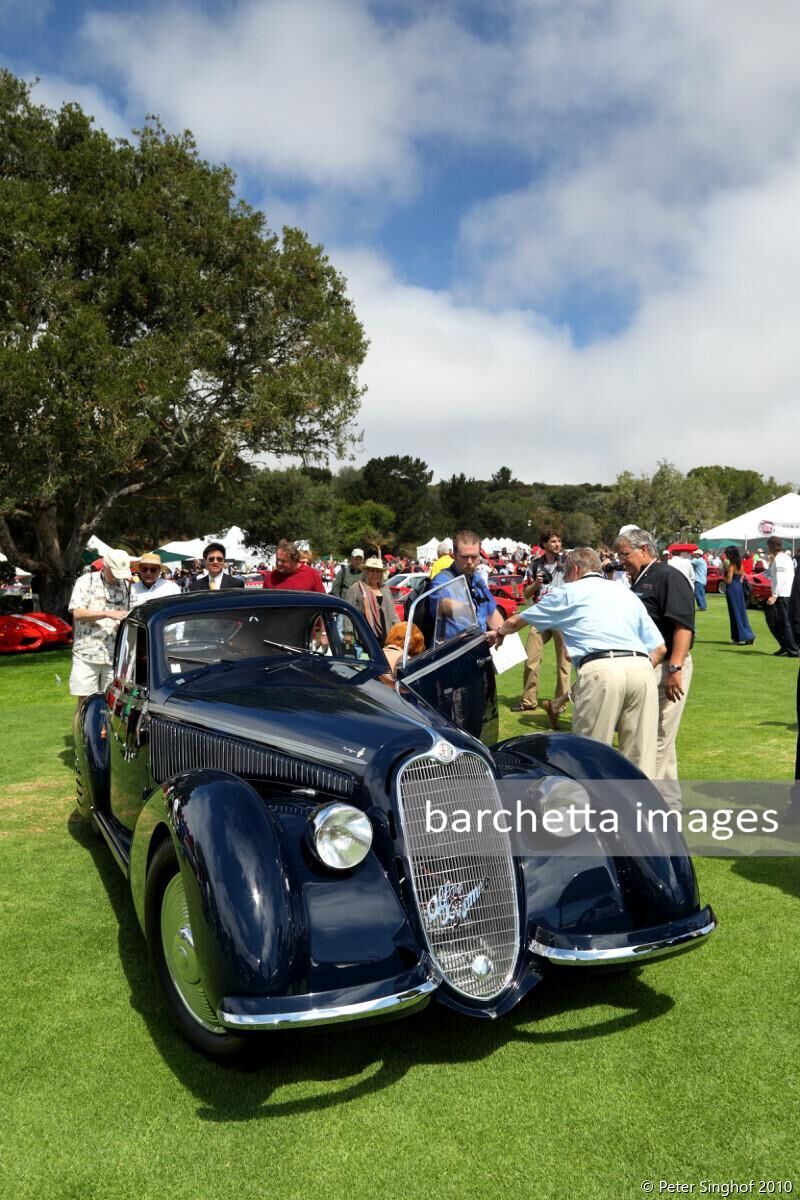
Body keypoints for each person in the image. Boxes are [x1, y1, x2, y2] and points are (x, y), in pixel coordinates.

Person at [489, 547, 665, 775]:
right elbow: (659, 647)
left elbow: (517, 621)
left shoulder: (567, 592)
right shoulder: (625, 592)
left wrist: (500, 632)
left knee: (591, 756)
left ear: (574, 569)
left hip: (601, 670)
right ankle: (641, 809)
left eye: (565, 572)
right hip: (642, 668)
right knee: (640, 760)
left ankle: (596, 810)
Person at [614, 527, 695, 805]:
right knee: (660, 737)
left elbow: (683, 628)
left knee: (657, 736)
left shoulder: (669, 576)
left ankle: (649, 807)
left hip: (670, 666)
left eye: (625, 553)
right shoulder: (639, 579)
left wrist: (675, 670)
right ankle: (669, 804)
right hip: (650, 666)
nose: (621, 559)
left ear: (644, 550)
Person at [512, 529, 570, 713]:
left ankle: (559, 704)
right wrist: (536, 583)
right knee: (531, 659)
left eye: (559, 541)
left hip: (562, 615)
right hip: (541, 614)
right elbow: (525, 594)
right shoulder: (535, 565)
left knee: (564, 664)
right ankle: (528, 701)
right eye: (553, 541)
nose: (557, 544)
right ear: (544, 544)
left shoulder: (567, 563)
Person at [68, 549, 132, 707]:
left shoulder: (124, 584)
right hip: (87, 652)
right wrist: (107, 613)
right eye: (114, 573)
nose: (117, 577)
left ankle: (104, 733)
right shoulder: (86, 581)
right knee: (85, 704)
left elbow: (123, 613)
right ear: (105, 566)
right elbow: (77, 612)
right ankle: (82, 732)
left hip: (112, 655)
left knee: (110, 704)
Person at [346, 557, 396, 641]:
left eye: (378, 571)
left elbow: (393, 612)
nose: (375, 574)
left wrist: (398, 628)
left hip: (387, 635)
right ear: (366, 572)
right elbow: (348, 612)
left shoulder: (385, 588)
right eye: (372, 571)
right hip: (366, 637)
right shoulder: (356, 587)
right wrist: (348, 633)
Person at [764, 536, 799, 657]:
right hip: (787, 593)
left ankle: (793, 649)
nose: (767, 548)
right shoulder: (787, 558)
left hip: (782, 594)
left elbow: (781, 579)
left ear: (772, 546)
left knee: (784, 623)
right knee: (781, 622)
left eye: (768, 546)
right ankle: (786, 646)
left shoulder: (779, 559)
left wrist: (774, 595)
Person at [722, 546, 755, 645]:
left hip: (732, 588)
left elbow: (728, 580)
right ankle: (748, 635)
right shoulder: (740, 564)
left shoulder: (732, 566)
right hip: (739, 588)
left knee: (734, 613)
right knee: (741, 612)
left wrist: (722, 575)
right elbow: (742, 575)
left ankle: (739, 637)